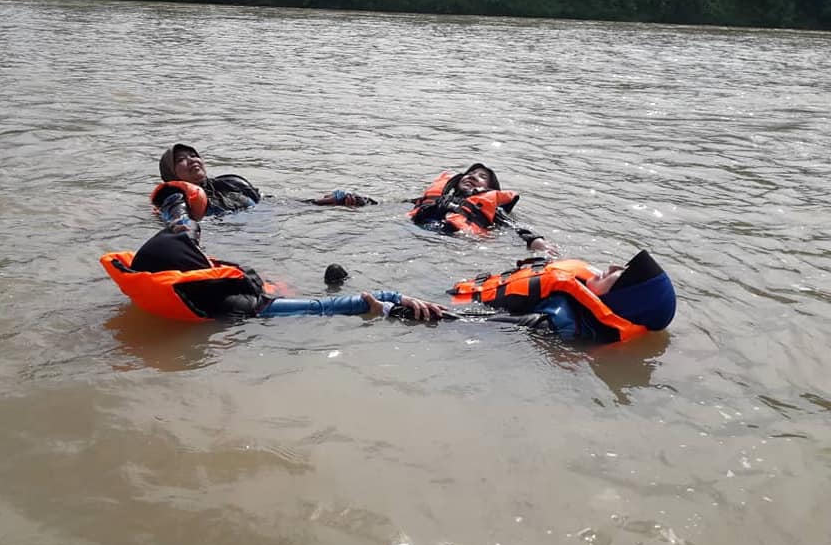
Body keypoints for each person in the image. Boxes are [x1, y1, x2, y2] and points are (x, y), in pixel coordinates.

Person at [102, 183, 446, 323]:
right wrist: (389, 300)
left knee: (332, 279)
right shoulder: (236, 302)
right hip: (283, 304)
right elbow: (320, 308)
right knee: (332, 285)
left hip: (267, 290)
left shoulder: (190, 292)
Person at [448, 250, 676, 343]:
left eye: (620, 275)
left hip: (460, 301)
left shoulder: (557, 323)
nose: (611, 266)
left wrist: (439, 313)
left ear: (619, 300)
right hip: (469, 289)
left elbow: (483, 322)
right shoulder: (583, 287)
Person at [157, 143, 376, 216]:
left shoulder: (229, 184)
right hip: (233, 240)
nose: (192, 160)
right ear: (171, 174)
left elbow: (271, 203)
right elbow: (179, 225)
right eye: (181, 159)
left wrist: (326, 202)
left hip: (264, 224)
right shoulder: (174, 200)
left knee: (353, 202)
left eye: (193, 155)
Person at [409, 163, 557, 255]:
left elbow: (513, 227)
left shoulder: (490, 209)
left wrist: (534, 240)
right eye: (470, 174)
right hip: (416, 235)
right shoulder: (436, 198)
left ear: (490, 189)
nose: (472, 177)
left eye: (482, 176)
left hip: (454, 245)